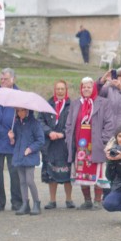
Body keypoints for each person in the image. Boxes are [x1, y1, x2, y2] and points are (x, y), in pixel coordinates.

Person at [65, 77, 115, 210]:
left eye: (89, 87)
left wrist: (103, 140)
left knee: (97, 172)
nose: (86, 89)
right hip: (80, 144)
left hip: (96, 144)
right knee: (82, 171)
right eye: (84, 87)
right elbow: (69, 123)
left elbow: (110, 123)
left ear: (94, 88)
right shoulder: (76, 104)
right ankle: (87, 200)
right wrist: (69, 137)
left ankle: (98, 200)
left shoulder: (103, 103)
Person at [38, 80, 75, 209]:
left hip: (65, 144)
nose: (60, 91)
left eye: (62, 89)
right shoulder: (47, 105)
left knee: (67, 174)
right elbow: (40, 121)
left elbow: (73, 123)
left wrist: (63, 134)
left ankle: (69, 199)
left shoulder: (72, 106)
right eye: (58, 89)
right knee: (51, 172)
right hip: (51, 144)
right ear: (54, 90)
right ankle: (52, 200)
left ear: (66, 90)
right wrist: (49, 132)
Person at [8, 108, 45, 215]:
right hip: (19, 156)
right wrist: (11, 138)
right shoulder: (16, 124)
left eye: (23, 110)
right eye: (18, 111)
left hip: (30, 156)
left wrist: (30, 149)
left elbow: (40, 140)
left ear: (28, 111)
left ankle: (36, 203)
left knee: (29, 180)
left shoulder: (35, 123)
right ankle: (25, 204)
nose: (21, 113)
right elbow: (15, 143)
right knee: (22, 181)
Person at [0, 67, 22, 211]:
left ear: (12, 79)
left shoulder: (20, 96)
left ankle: (17, 202)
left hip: (14, 142)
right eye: (1, 79)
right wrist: (4, 132)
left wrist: (15, 133)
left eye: (5, 79)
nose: (2, 81)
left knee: (15, 174)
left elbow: (25, 118)